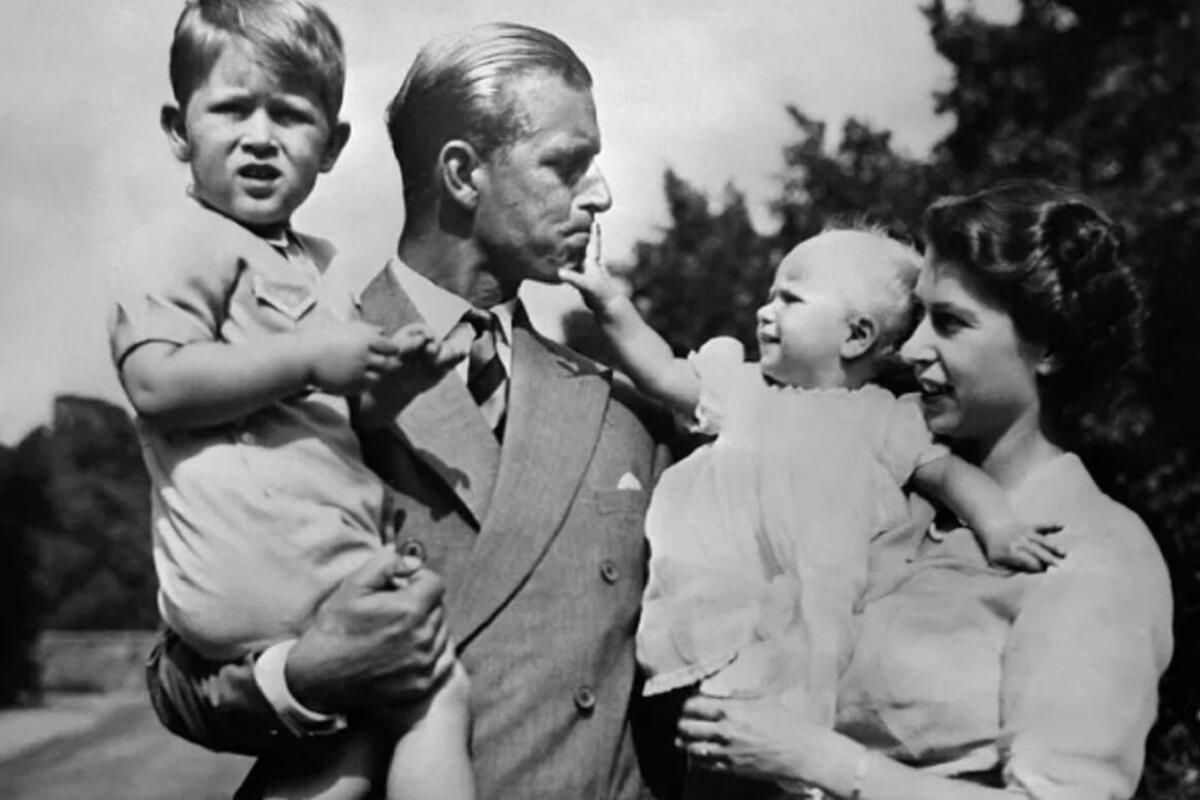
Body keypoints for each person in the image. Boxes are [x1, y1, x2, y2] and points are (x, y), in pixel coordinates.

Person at [140, 20, 677, 800]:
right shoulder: (285, 374)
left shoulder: (623, 412)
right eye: (567, 164)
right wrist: (306, 674)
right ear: (462, 173)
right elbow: (178, 676)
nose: (600, 194)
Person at [675, 181, 1173, 800]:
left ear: (1045, 348)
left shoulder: (1098, 554)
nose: (911, 348)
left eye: (950, 323)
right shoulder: (887, 487)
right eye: (919, 316)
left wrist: (818, 760)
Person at [108, 2, 475, 799]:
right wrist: (310, 356)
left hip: (312, 556)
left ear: (332, 146)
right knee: (436, 691)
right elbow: (156, 384)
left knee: (351, 750)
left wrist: (388, 387)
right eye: (232, 109)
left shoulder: (319, 264)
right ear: (178, 130)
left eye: (290, 115)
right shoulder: (180, 241)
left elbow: (329, 419)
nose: (260, 137)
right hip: (265, 564)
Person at [561, 225, 1061, 734]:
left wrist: (1000, 527)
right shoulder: (745, 389)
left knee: (800, 731)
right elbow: (662, 371)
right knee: (714, 739)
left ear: (856, 336)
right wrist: (608, 303)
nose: (765, 311)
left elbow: (952, 478)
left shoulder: (884, 419)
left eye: (790, 299)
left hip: (826, 627)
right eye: (770, 296)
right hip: (725, 618)